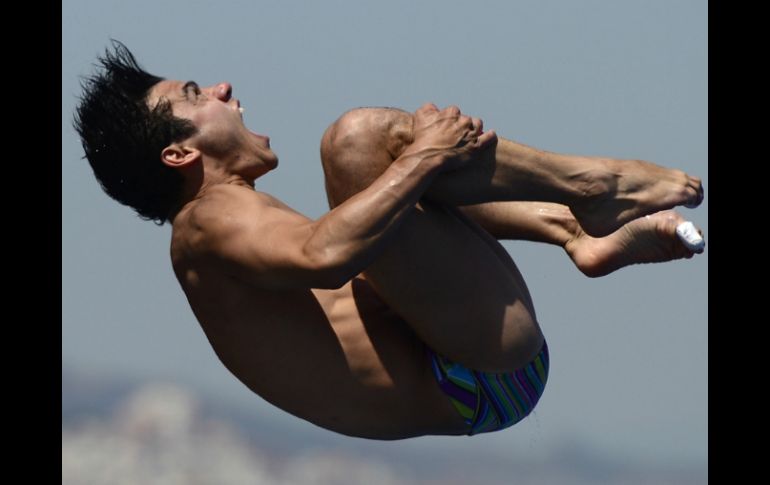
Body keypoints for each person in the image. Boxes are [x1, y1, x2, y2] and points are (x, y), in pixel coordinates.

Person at [73, 42, 704, 439]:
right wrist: (424, 156)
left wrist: (414, 167)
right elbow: (324, 258)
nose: (222, 90)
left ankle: (573, 229)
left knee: (369, 182)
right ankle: (590, 188)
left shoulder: (229, 225)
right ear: (179, 152)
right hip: (471, 375)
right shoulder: (203, 225)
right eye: (195, 97)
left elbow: (358, 248)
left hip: (464, 361)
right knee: (356, 142)